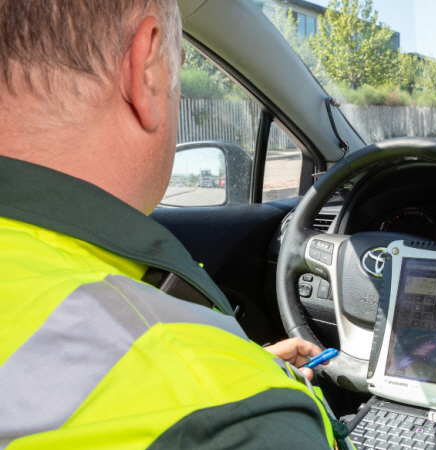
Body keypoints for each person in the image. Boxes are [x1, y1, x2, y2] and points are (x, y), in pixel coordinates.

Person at [0, 1, 348, 449]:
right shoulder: (236, 422)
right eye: (176, 73)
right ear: (145, 72)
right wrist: (254, 389)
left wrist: (241, 366)